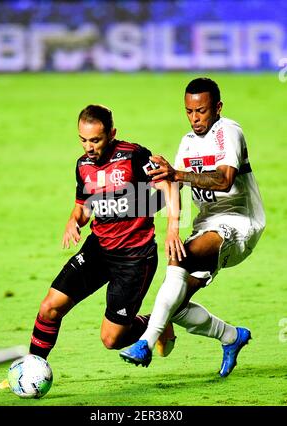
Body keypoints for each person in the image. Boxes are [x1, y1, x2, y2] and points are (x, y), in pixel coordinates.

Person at [0, 104, 178, 389]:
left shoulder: (134, 155)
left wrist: (172, 229)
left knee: (111, 339)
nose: (89, 147)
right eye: (83, 139)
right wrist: (74, 221)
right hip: (98, 249)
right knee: (49, 307)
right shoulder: (83, 166)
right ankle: (29, 369)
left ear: (112, 134)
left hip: (134, 257)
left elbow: (168, 184)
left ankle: (157, 322)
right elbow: (82, 208)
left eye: (95, 140)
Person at [119, 77, 266, 377]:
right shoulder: (187, 143)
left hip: (240, 223)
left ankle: (146, 341)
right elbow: (174, 184)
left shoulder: (228, 132)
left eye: (202, 110)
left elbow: (224, 179)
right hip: (206, 226)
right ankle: (231, 337)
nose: (195, 118)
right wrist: (171, 227)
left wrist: (178, 173)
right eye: (189, 111)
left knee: (180, 258)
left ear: (218, 107)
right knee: (177, 303)